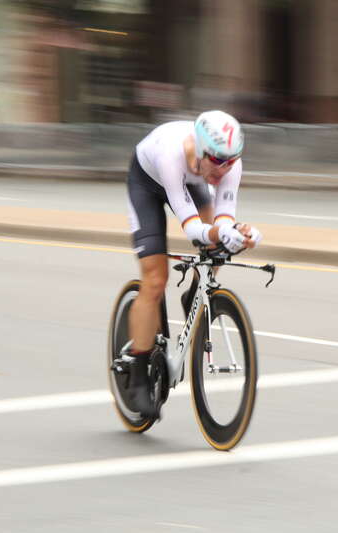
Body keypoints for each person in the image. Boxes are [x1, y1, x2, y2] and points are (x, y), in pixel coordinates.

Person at [121, 110, 262, 415]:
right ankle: (138, 372)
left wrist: (238, 232)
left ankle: (195, 294)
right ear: (200, 150)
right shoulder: (171, 155)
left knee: (218, 245)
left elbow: (223, 219)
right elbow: (192, 228)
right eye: (218, 161)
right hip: (147, 184)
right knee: (155, 280)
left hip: (191, 181)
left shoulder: (226, 164)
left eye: (231, 162)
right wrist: (219, 231)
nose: (224, 170)